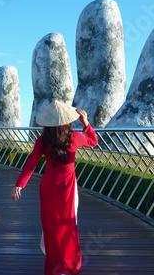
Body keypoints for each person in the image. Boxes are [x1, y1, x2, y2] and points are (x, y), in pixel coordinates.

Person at [11, 100, 98, 275]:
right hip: (67, 189)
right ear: (67, 121)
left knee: (51, 227)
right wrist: (85, 122)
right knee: (68, 225)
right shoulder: (75, 138)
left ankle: (53, 268)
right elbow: (93, 141)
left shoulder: (42, 141)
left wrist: (19, 185)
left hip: (48, 188)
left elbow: (31, 164)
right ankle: (69, 266)